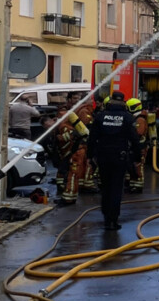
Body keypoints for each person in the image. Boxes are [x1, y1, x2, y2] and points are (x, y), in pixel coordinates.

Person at [87, 90, 139, 230]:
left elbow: (91, 139)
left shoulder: (100, 116)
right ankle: (113, 220)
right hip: (120, 157)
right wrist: (137, 158)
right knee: (116, 189)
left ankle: (106, 218)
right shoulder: (128, 118)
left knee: (105, 188)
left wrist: (89, 156)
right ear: (123, 103)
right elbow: (134, 139)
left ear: (109, 102)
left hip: (103, 157)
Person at [54, 109, 89, 206]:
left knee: (73, 176)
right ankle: (70, 197)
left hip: (76, 153)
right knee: (73, 175)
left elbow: (69, 138)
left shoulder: (65, 127)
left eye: (59, 117)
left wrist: (60, 138)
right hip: (77, 152)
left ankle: (68, 199)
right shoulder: (68, 125)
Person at [125, 97, 149, 194]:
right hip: (135, 146)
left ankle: (138, 186)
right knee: (132, 166)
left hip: (140, 147)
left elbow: (138, 133)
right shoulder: (135, 118)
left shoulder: (140, 119)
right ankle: (133, 184)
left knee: (138, 166)